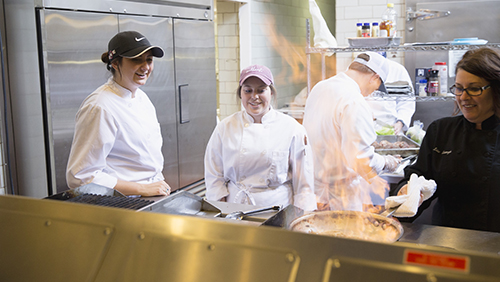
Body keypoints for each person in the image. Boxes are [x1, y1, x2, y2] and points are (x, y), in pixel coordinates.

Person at [391, 47, 500, 233]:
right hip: (448, 242)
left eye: (474, 89)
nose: (463, 97)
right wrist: (405, 192)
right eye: (459, 88)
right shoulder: (441, 131)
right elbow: (417, 177)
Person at [66, 31, 171, 197]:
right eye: (136, 59)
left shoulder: (142, 98)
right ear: (115, 64)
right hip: (123, 203)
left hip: (153, 196)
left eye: (149, 60)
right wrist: (142, 189)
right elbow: (81, 176)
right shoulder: (100, 106)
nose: (145, 67)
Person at [204, 65, 317, 211]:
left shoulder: (291, 128)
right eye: (248, 90)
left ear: (271, 92)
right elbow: (213, 174)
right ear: (241, 94)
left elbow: (304, 182)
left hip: (277, 209)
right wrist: (220, 207)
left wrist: (304, 215)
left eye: (261, 90)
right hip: (235, 209)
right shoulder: (225, 127)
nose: (254, 96)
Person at [303, 52, 401, 211]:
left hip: (314, 191)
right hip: (341, 197)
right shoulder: (354, 100)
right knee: (341, 235)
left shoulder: (320, 87)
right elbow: (359, 157)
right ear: (374, 77)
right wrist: (386, 162)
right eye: (377, 87)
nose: (373, 91)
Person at [366, 59, 415, 135]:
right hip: (365, 128)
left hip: (392, 128)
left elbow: (407, 101)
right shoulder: (359, 68)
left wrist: (400, 122)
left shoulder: (397, 69)